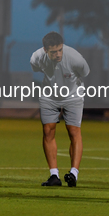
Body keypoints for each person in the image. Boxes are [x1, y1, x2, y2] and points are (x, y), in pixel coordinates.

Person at [30, 32, 90, 187]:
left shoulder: (75, 58)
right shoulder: (36, 58)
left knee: (73, 131)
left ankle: (73, 174)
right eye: (53, 52)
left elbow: (85, 72)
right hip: (49, 95)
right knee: (48, 131)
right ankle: (54, 175)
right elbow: (37, 68)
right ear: (45, 50)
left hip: (73, 95)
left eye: (60, 50)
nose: (58, 54)